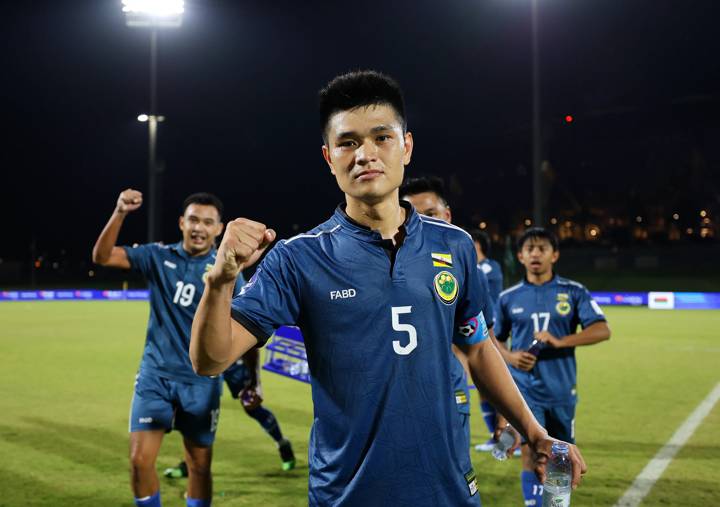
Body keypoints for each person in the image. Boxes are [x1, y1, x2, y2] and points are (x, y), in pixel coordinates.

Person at [190, 70, 587, 506]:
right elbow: (211, 359)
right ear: (328, 157)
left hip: (449, 491)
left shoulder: (454, 246)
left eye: (381, 138)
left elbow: (476, 348)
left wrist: (535, 433)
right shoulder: (297, 258)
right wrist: (221, 280)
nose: (365, 154)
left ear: (406, 147)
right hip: (348, 494)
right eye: (347, 143)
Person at [93, 191, 245, 507]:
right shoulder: (159, 257)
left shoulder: (228, 272)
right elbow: (103, 256)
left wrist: (249, 380)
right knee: (139, 460)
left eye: (207, 222)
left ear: (219, 229)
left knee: (199, 467)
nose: (199, 228)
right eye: (193, 219)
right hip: (155, 376)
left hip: (200, 382)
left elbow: (243, 328)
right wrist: (120, 212)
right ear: (181, 222)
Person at [493, 227, 610, 506]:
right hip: (524, 390)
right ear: (520, 256)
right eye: (529, 249)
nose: (536, 254)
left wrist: (560, 341)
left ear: (554, 255)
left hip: (560, 389)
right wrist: (510, 357)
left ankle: (555, 503)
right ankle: (534, 503)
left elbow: (602, 330)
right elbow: (492, 340)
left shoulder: (573, 291)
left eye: (542, 249)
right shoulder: (508, 297)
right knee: (530, 451)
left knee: (559, 455)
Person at [399, 176, 496, 446]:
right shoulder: (382, 268)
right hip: (394, 402)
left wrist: (501, 407)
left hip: (450, 392)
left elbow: (482, 345)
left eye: (431, 214)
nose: (422, 224)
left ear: (447, 215)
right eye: (412, 216)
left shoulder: (465, 270)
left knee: (454, 479)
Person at [163, 347, 296, 478]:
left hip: (234, 358)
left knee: (251, 406)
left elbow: (252, 340)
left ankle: (282, 443)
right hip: (207, 358)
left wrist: (255, 381)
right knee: (198, 409)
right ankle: (190, 463)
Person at [468, 229, 506, 453]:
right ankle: (495, 437)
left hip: (493, 330)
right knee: (483, 387)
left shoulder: (488, 268)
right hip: (476, 331)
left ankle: (510, 435)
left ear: (478, 245)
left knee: (496, 383)